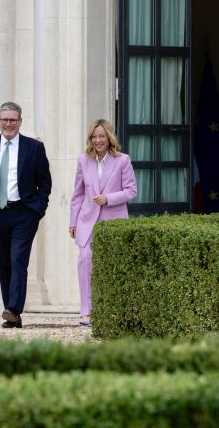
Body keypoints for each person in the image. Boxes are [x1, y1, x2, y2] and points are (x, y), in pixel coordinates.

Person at [0, 102, 52, 328]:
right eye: (5, 119)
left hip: (23, 213)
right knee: (3, 264)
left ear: (20, 122)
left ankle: (13, 308)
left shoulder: (34, 148)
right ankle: (12, 314)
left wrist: (37, 209)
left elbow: (45, 183)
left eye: (13, 120)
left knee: (18, 259)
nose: (8, 123)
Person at [69, 119, 137, 326]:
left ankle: (113, 309)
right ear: (90, 139)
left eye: (102, 136)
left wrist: (109, 198)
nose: (98, 140)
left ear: (109, 138)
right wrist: (73, 222)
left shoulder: (122, 160)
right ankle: (86, 311)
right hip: (86, 220)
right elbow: (78, 194)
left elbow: (131, 191)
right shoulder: (83, 160)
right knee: (85, 260)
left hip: (113, 220)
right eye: (94, 136)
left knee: (113, 265)